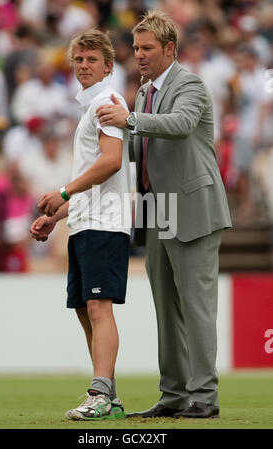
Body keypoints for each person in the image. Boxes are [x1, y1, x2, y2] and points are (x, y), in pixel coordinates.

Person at [97, 10, 232, 419]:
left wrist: (130, 119)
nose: (138, 54)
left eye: (147, 48)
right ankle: (173, 394)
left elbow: (181, 123)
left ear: (169, 49)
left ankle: (204, 396)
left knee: (196, 306)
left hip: (191, 208)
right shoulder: (144, 91)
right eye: (135, 47)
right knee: (166, 307)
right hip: (158, 209)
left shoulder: (189, 84)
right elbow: (141, 152)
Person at [30, 29, 131, 420]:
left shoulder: (107, 101)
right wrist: (56, 216)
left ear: (108, 66)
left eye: (92, 60)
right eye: (79, 59)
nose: (84, 65)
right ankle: (111, 395)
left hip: (106, 223)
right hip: (87, 221)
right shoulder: (92, 107)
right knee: (86, 310)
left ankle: (100, 394)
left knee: (98, 306)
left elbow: (111, 162)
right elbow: (96, 176)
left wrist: (63, 193)